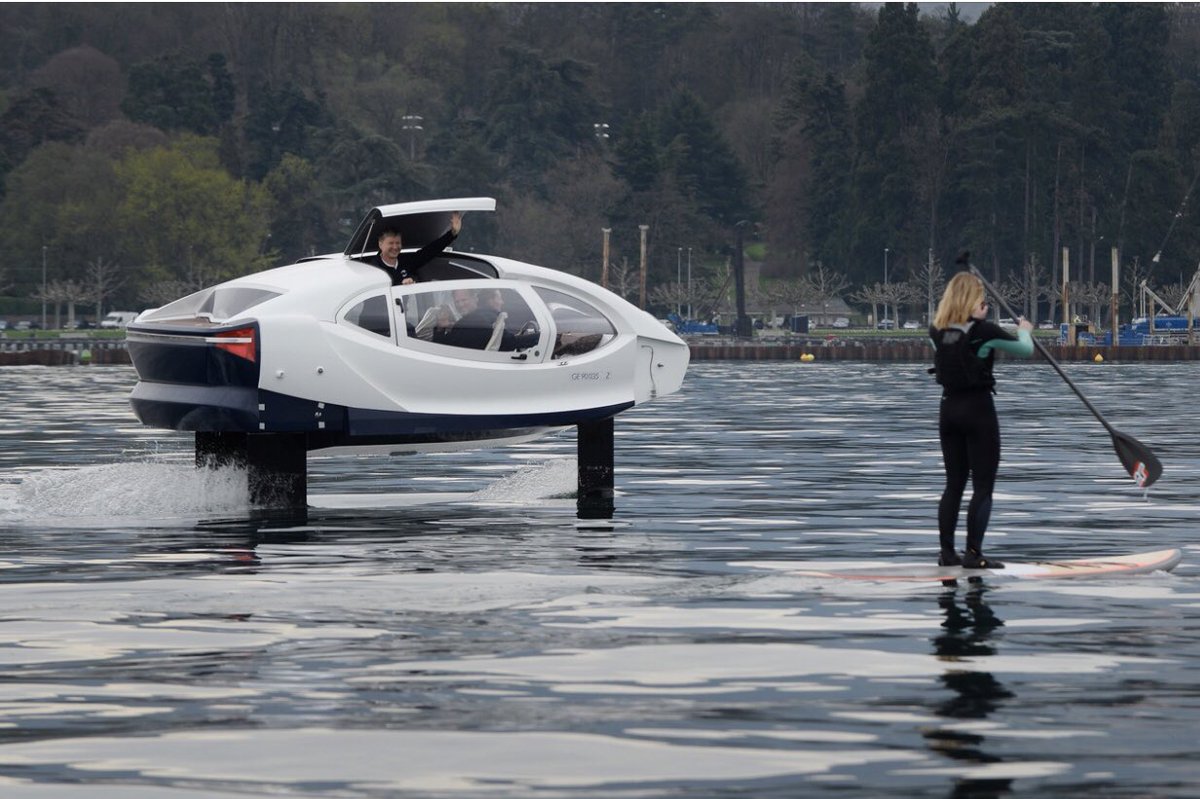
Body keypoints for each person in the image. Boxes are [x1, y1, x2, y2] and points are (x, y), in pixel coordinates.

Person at [929, 266, 1034, 569]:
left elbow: (949, 353)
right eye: (982, 299)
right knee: (983, 485)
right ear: (972, 301)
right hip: (978, 412)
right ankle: (973, 554)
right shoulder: (985, 332)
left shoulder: (936, 332)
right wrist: (1024, 329)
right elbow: (1025, 350)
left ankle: (947, 554)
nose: (985, 305)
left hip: (948, 411)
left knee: (954, 484)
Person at [365, 211, 462, 285]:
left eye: (398, 243)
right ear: (380, 244)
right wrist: (400, 284)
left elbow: (429, 252)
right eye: (391, 243)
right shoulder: (374, 268)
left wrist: (452, 233)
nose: (395, 247)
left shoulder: (405, 261)